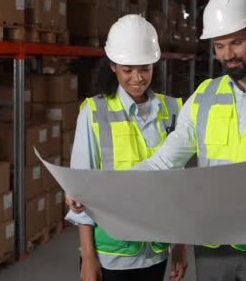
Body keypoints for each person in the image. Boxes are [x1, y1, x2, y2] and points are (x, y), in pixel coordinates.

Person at [67, 0, 246, 281]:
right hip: (214, 248)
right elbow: (162, 164)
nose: (227, 55)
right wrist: (99, 192)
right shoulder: (203, 98)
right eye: (219, 46)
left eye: (236, 42)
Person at [66, 14, 188, 281]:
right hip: (113, 253)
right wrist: (88, 257)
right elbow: (80, 190)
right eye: (127, 69)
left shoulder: (173, 110)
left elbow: (178, 187)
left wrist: (179, 245)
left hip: (157, 250)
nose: (137, 78)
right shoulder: (94, 112)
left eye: (144, 68)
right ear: (112, 66)